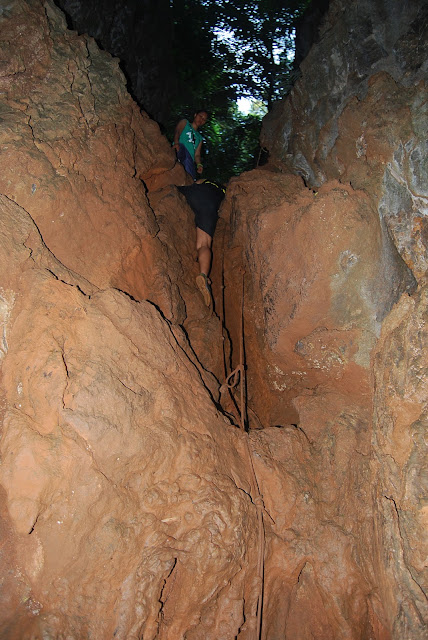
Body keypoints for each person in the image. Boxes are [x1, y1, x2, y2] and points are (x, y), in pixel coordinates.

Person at [178, 179, 226, 307]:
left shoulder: (208, 181)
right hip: (209, 204)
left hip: (195, 192)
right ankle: (203, 275)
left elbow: (197, 182)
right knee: (203, 244)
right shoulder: (222, 192)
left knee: (174, 191)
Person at [173, 110, 208, 180]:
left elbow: (197, 154)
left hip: (189, 160)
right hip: (180, 149)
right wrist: (176, 143)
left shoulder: (199, 138)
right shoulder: (185, 123)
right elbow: (177, 132)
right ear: (195, 115)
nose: (201, 120)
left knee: (190, 175)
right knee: (185, 155)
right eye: (200, 116)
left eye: (204, 119)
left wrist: (199, 164)